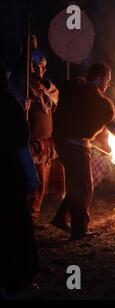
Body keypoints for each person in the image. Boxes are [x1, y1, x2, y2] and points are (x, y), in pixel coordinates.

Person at [51, 62, 115, 240]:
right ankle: (79, 230)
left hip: (64, 142)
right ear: (99, 79)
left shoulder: (75, 90)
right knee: (84, 187)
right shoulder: (94, 98)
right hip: (75, 145)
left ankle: (61, 218)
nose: (108, 84)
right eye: (107, 80)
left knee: (78, 184)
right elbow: (110, 123)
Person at [0, 61, 40, 292]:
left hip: (8, 174)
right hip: (8, 174)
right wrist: (23, 121)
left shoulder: (9, 104)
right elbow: (19, 139)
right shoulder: (7, 104)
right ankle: (19, 274)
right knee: (16, 224)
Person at [25, 50, 63, 224]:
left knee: (40, 186)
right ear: (31, 66)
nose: (43, 70)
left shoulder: (45, 86)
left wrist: (47, 87)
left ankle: (33, 218)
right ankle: (26, 221)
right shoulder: (23, 85)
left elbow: (57, 98)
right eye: (40, 67)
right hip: (29, 145)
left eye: (44, 67)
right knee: (30, 185)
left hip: (44, 145)